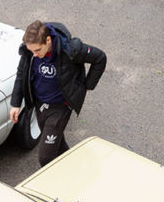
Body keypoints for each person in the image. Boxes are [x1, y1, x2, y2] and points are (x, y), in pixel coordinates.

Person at [8, 19, 107, 165]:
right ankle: (76, 169)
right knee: (58, 145)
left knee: (46, 157)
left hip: (61, 106)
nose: (34, 55)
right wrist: (15, 103)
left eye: (37, 50)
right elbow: (21, 74)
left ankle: (52, 185)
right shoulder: (30, 52)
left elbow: (100, 58)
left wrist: (86, 86)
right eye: (31, 51)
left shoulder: (71, 49)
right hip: (40, 104)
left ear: (48, 40)